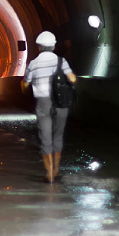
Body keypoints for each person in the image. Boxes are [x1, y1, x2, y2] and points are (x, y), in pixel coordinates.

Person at [22, 31, 76, 183]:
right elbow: (72, 78)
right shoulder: (61, 61)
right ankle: (57, 171)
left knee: (45, 138)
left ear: (39, 47)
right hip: (60, 103)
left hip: (43, 103)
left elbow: (26, 83)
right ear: (53, 46)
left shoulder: (33, 63)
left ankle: (49, 175)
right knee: (58, 136)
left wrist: (24, 87)